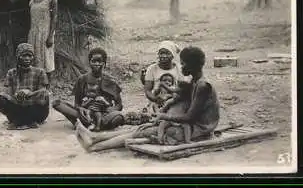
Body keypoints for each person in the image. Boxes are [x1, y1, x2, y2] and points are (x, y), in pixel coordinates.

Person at [75, 46, 220, 153]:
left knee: (145, 131)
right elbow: (179, 103)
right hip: (190, 124)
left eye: (183, 64)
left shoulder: (202, 86)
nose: (181, 66)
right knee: (141, 128)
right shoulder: (194, 82)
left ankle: (95, 145)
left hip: (199, 129)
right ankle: (94, 138)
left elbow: (189, 117)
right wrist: (164, 116)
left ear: (192, 65)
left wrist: (164, 117)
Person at [52, 47, 125, 131]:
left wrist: (110, 110)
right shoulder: (82, 79)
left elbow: (119, 105)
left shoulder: (110, 81)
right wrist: (81, 109)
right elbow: (77, 103)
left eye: (99, 61)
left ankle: (90, 124)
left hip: (104, 114)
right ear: (89, 62)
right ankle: (86, 122)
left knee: (119, 117)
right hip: (85, 113)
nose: (96, 64)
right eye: (94, 61)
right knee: (57, 104)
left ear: (104, 63)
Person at [0, 43, 50, 130]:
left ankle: (21, 121)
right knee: (1, 97)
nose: (27, 58)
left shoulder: (40, 72)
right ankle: (26, 121)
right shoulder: (11, 73)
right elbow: (8, 92)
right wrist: (17, 95)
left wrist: (29, 93)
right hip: (17, 107)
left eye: (30, 55)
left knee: (45, 95)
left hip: (34, 109)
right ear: (18, 57)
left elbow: (43, 91)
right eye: (24, 56)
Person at [28, 0, 58, 83]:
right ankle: (37, 83)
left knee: (47, 60)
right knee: (34, 59)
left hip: (45, 33)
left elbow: (54, 18)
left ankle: (47, 85)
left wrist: (50, 36)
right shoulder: (32, 0)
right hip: (34, 33)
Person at [142, 41, 182, 114]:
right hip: (156, 101)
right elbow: (147, 90)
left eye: (167, 53)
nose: (163, 56)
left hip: (174, 100)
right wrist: (156, 99)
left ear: (173, 55)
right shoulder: (152, 68)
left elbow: (182, 90)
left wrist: (171, 98)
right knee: (155, 112)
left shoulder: (179, 68)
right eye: (161, 53)